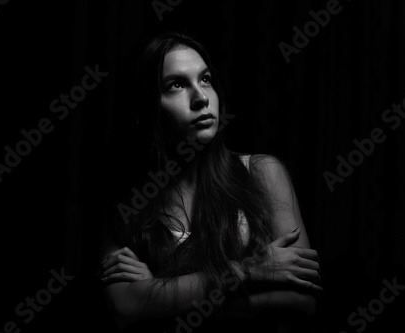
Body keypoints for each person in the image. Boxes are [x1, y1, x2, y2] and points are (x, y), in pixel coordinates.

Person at [99, 31, 322, 332]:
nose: (201, 97)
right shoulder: (128, 203)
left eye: (205, 79)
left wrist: (158, 294)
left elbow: (303, 299)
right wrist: (248, 271)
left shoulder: (262, 173)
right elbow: (124, 306)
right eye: (176, 85)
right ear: (146, 105)